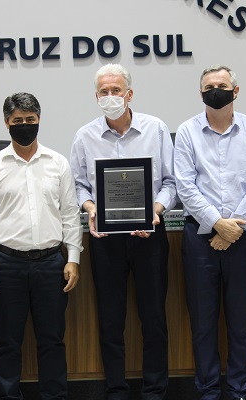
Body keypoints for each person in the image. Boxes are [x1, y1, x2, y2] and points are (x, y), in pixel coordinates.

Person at [69, 64, 177, 400]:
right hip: (105, 240)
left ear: (129, 94)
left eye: (116, 90)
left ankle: (155, 391)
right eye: (104, 91)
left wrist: (155, 211)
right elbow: (78, 185)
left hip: (149, 236)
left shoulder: (156, 129)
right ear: (96, 96)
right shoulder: (84, 136)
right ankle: (116, 390)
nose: (111, 96)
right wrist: (91, 209)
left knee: (154, 318)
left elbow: (171, 182)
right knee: (111, 320)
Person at [0, 92, 82, 400]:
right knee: (8, 341)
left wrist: (73, 258)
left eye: (30, 120)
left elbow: (70, 214)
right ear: (7, 123)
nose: (24, 125)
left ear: (39, 120)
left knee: (52, 340)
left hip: (51, 263)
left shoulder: (58, 163)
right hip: (7, 265)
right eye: (17, 120)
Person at [173, 65, 246, 400]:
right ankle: (209, 391)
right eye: (209, 86)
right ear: (200, 93)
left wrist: (233, 227)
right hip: (200, 239)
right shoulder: (187, 131)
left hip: (242, 237)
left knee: (241, 324)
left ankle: (240, 391)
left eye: (222, 85)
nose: (216, 90)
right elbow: (185, 185)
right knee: (203, 324)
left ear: (235, 91)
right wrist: (217, 223)